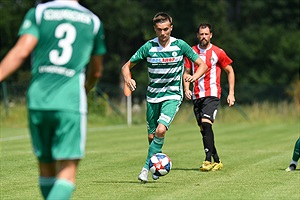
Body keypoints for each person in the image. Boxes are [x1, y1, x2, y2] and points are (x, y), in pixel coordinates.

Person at [0, 0, 106, 199]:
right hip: (69, 101)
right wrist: (85, 88)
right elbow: (97, 71)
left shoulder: (39, 13)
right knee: (67, 174)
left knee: (46, 168)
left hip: (38, 100)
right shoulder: (92, 21)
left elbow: (21, 51)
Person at [121, 12, 208, 183]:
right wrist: (128, 78)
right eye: (159, 29)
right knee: (152, 137)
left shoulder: (180, 45)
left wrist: (194, 77)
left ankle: (145, 169)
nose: (163, 33)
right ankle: (157, 165)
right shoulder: (148, 47)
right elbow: (126, 66)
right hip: (153, 96)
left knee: (161, 130)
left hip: (173, 95)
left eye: (166, 29)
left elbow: (202, 65)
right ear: (155, 29)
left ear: (171, 28)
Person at [183, 23, 235, 172]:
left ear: (211, 35)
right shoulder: (191, 51)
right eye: (201, 34)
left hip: (212, 94)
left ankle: (207, 160)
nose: (203, 37)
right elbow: (186, 71)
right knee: (203, 129)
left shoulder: (218, 52)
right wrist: (186, 88)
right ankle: (217, 160)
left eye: (206, 34)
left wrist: (231, 93)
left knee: (206, 123)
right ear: (197, 35)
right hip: (197, 95)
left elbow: (230, 71)